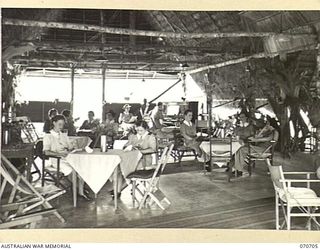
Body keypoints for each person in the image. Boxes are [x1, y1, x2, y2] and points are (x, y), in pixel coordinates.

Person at [43, 115, 86, 197]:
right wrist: (60, 154)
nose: (61, 127)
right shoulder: (48, 136)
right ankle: (77, 190)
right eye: (59, 124)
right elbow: (46, 152)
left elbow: (70, 147)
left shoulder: (63, 135)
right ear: (54, 123)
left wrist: (74, 147)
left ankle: (81, 190)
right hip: (56, 160)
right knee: (72, 170)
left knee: (81, 168)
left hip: (66, 158)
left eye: (62, 125)